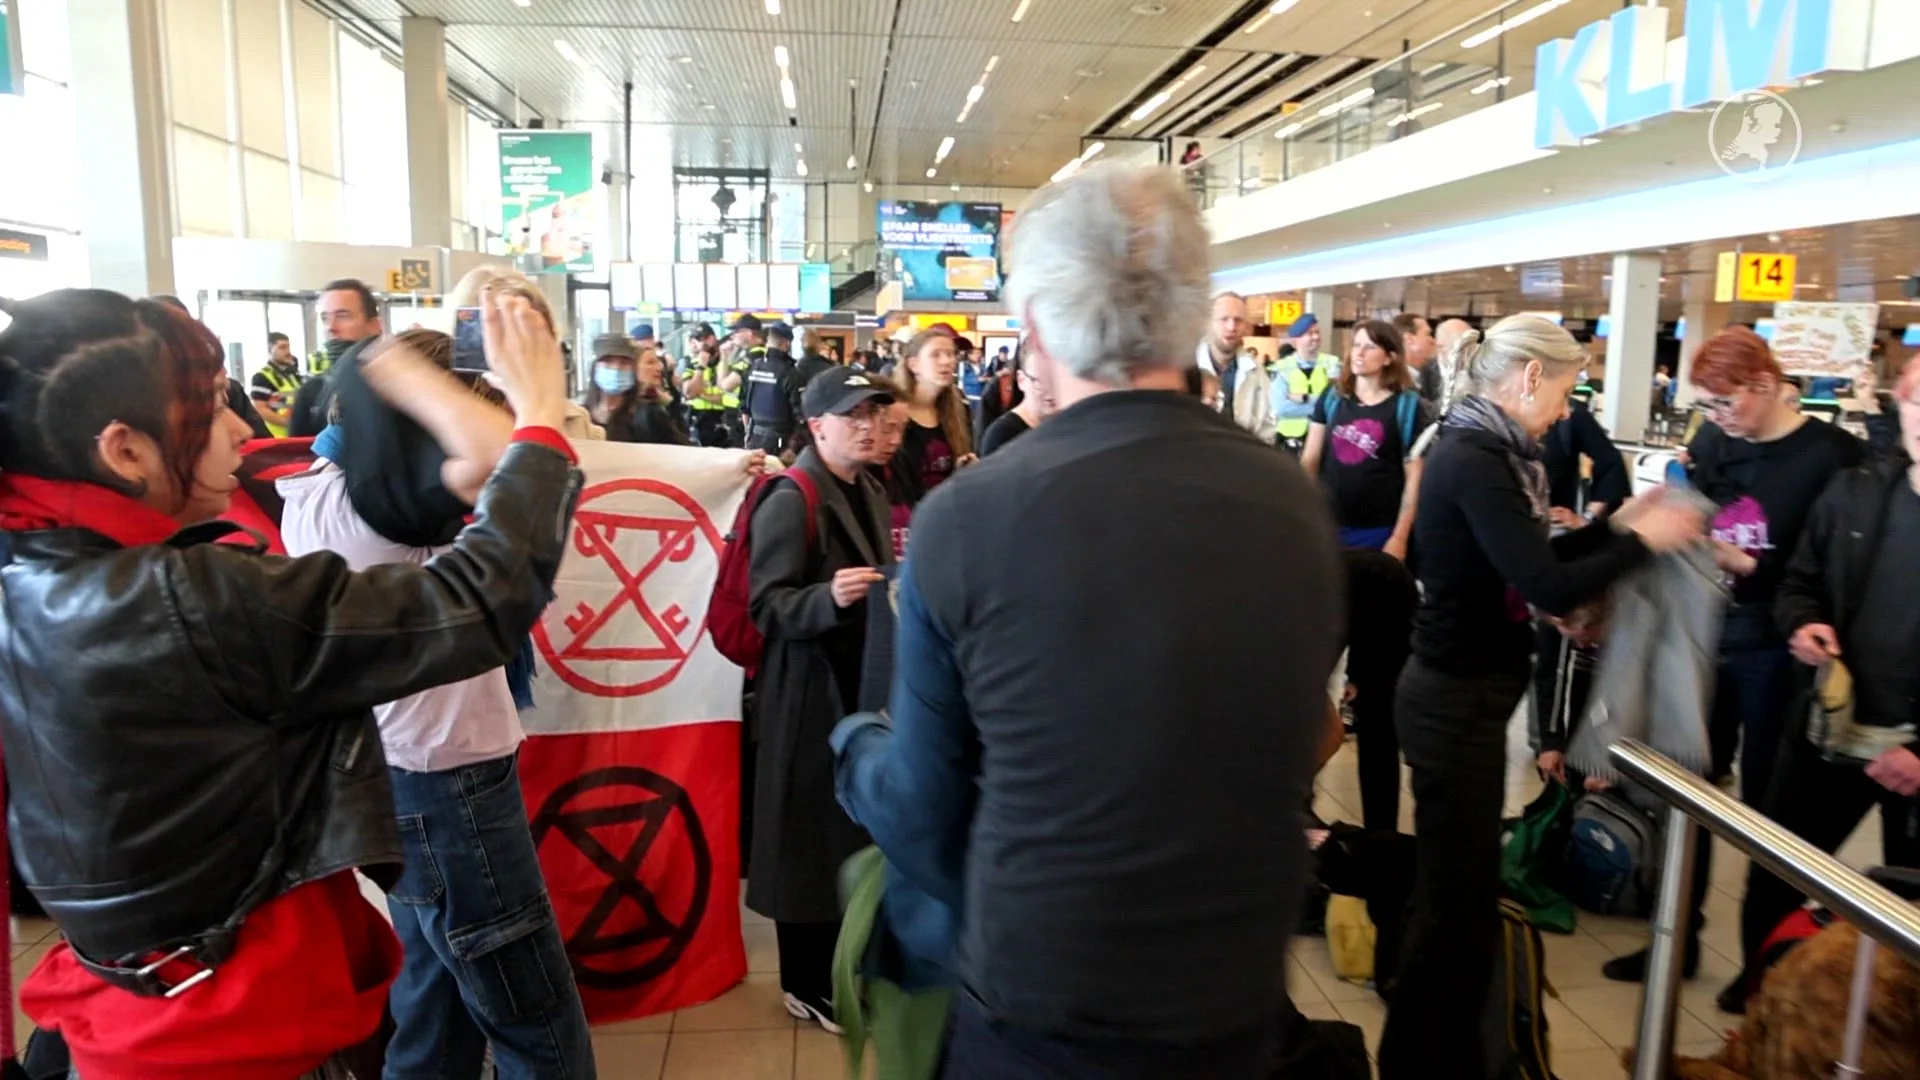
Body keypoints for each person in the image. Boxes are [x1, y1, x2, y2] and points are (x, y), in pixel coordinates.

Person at [831, 163, 1344, 1079]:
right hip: (1231, 1003)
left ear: (1032, 329)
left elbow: (926, 811)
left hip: (1045, 1003)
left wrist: (851, 748)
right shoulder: (1288, 503)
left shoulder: (973, 518)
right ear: (1196, 315)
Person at [0, 288, 579, 1080]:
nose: (242, 425)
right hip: (221, 1028)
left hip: (150, 1002)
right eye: (209, 408)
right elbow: (481, 600)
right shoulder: (176, 598)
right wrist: (540, 409)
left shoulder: (35, 574)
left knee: (438, 994)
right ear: (124, 450)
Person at [1377, 314, 1703, 1079]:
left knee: (1456, 898)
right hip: (1450, 699)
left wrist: (1618, 525)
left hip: (1468, 695)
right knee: (1455, 906)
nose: (1564, 410)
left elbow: (1534, 555)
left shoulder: (1493, 451)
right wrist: (1639, 541)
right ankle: (1424, 1055)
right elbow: (1545, 582)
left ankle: (1434, 1048)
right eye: (1563, 391)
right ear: (1528, 377)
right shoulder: (1477, 455)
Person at [278, 328, 595, 1079]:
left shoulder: (330, 482)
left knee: (438, 987)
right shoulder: (374, 505)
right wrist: (526, 399)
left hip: (405, 770)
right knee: (531, 1011)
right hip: (449, 783)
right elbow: (508, 462)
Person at [1598, 327, 1866, 998]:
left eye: (1727, 404)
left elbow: (1829, 568)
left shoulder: (1832, 457)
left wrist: (1731, 557)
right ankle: (1674, 935)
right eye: (1708, 406)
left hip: (1780, 651)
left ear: (1767, 384)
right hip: (1707, 633)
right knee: (1686, 787)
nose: (1718, 419)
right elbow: (1693, 507)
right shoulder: (1718, 441)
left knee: (1770, 809)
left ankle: (1763, 963)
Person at [1728, 354, 1920, 1013]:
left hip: (1912, 757)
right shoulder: (1857, 490)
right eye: (1919, 399)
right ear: (1900, 401)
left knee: (1909, 924)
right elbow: (1800, 581)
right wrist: (1805, 623)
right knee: (1775, 879)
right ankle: (1760, 1008)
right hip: (1830, 730)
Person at [746, 366, 895, 1033]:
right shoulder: (792, 495)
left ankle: (843, 965)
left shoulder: (862, 485)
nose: (868, 427)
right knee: (804, 838)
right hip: (805, 691)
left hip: (851, 685)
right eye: (852, 415)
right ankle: (805, 983)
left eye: (874, 413)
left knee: (843, 833)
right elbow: (764, 604)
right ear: (816, 425)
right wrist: (826, 598)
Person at [1300, 319, 1432, 556]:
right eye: (1356, 345)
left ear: (1388, 358)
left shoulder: (1406, 406)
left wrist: (1399, 538)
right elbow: (1310, 459)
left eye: (1369, 347)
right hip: (1328, 524)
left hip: (1380, 530)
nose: (1358, 353)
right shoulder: (1333, 396)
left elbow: (1414, 478)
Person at [891, 328, 974, 509]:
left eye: (951, 354)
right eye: (935, 355)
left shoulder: (959, 408)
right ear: (913, 364)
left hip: (947, 513)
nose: (947, 361)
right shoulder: (892, 410)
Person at [290, 279, 384, 437]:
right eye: (325, 318)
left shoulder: (397, 388)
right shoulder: (312, 393)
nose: (331, 327)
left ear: (374, 326)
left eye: (343, 316)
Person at [978, 347, 1054, 456]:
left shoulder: (1069, 427)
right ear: (1021, 380)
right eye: (1040, 382)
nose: (1051, 391)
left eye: (1058, 382)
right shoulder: (1001, 435)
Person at [743, 322, 803, 454]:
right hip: (781, 442)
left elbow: (744, 407)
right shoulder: (790, 372)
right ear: (787, 344)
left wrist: (748, 434)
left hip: (754, 437)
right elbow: (799, 413)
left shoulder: (753, 366)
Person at [1196, 292, 1250, 414]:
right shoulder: (1187, 368)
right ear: (1208, 323)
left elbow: (1266, 424)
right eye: (1224, 319)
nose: (1231, 327)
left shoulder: (1256, 373)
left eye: (1238, 320)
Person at [250, 332, 303, 437]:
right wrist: (289, 423)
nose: (288, 352)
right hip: (276, 438)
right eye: (282, 348)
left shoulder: (292, 376)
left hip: (295, 436)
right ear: (270, 350)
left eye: (288, 347)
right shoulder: (261, 377)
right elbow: (260, 409)